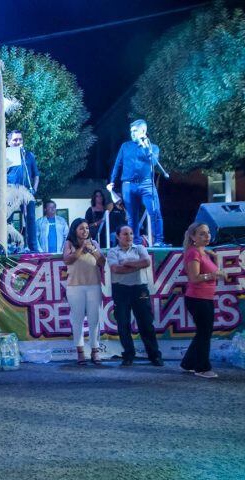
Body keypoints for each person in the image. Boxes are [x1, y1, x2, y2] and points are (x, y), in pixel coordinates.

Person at [107, 225, 163, 367]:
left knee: (146, 323)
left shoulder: (140, 248)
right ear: (118, 236)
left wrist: (127, 264)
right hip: (121, 290)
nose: (129, 237)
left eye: (131, 234)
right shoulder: (113, 251)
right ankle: (128, 355)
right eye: (125, 234)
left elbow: (146, 262)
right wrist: (136, 266)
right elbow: (116, 269)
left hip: (140, 289)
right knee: (123, 324)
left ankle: (154, 355)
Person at [107, 119, 167, 246]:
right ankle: (135, 242)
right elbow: (118, 164)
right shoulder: (125, 146)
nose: (132, 133)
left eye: (135, 131)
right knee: (132, 216)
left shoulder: (153, 148)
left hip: (146, 184)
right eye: (131, 131)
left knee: (155, 212)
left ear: (143, 131)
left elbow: (153, 162)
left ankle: (158, 241)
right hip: (128, 185)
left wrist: (144, 145)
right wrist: (112, 181)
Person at [181, 223, 225, 378]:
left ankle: (188, 363)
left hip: (204, 298)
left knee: (202, 333)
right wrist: (213, 275)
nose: (207, 236)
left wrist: (215, 258)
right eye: (201, 234)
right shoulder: (194, 253)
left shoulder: (202, 252)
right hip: (197, 298)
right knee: (204, 334)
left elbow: (212, 269)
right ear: (193, 237)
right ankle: (202, 368)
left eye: (207, 233)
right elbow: (194, 278)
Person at [63, 218, 106, 365]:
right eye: (81, 228)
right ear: (75, 230)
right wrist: (81, 249)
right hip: (75, 287)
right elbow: (67, 260)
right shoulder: (69, 244)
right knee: (77, 320)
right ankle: (80, 352)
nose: (85, 231)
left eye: (87, 228)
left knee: (94, 319)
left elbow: (102, 262)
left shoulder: (94, 244)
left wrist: (93, 250)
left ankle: (95, 351)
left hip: (94, 286)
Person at [6, 130, 39, 252]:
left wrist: (34, 188)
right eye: (15, 140)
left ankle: (32, 248)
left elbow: (36, 175)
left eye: (20, 139)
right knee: (7, 219)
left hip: (27, 192)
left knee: (30, 218)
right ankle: (8, 245)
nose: (18, 142)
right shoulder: (5, 155)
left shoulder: (28, 155)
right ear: (8, 142)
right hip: (11, 192)